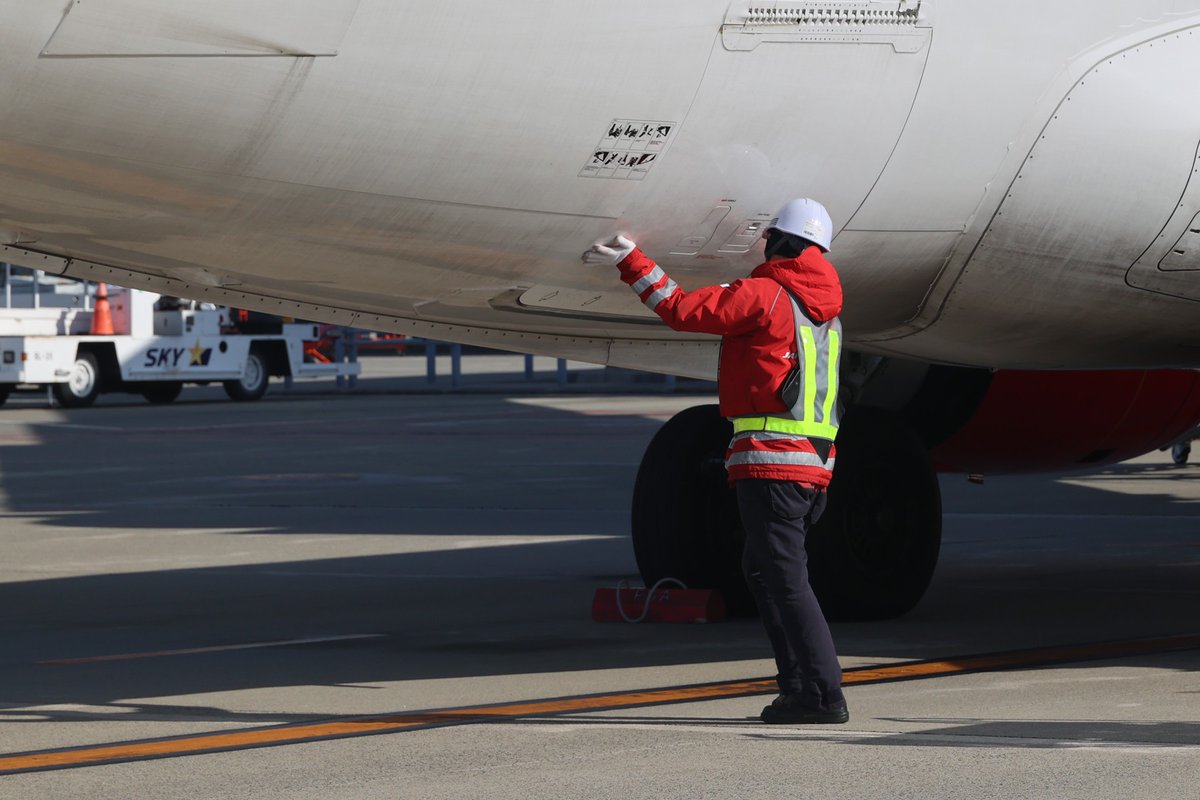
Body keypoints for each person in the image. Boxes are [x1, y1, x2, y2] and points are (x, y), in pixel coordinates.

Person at [584, 198, 848, 724]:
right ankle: (799, 687)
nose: (762, 245)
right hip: (812, 469)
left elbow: (682, 309)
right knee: (764, 571)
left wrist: (630, 259)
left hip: (770, 465)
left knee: (786, 581)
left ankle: (821, 695)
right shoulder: (828, 311)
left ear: (782, 242)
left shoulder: (767, 295)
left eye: (768, 237)